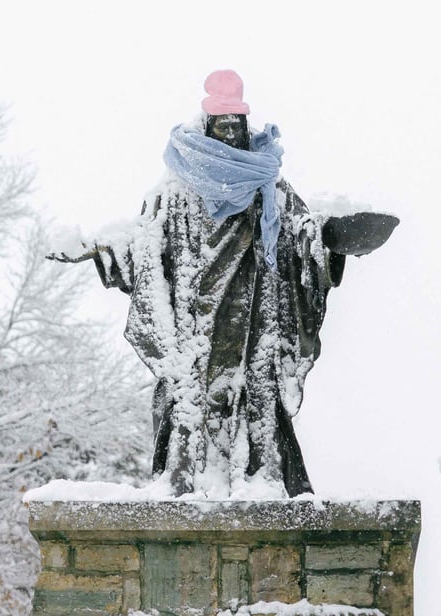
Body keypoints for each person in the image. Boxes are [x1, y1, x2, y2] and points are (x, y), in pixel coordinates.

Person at [58, 69, 396, 497]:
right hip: (195, 327)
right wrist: (101, 249)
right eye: (224, 125)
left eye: (238, 125)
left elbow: (299, 234)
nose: (232, 132)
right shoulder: (176, 190)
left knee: (259, 400)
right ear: (209, 127)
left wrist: (330, 238)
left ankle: (262, 482)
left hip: (256, 318)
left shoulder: (268, 185)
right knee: (188, 398)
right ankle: (185, 485)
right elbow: (144, 245)